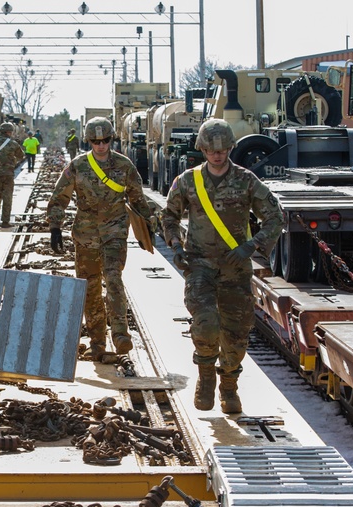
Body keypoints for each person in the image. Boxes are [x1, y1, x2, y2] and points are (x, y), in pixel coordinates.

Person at [160, 119, 282, 414]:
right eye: (211, 150)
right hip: (199, 265)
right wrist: (176, 247)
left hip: (236, 269)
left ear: (230, 148)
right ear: (202, 149)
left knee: (237, 332)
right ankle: (205, 379)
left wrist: (250, 247)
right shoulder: (188, 181)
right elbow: (168, 217)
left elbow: (276, 218)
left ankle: (229, 384)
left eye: (223, 150)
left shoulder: (247, 181)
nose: (217, 155)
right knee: (206, 324)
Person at [47, 116, 156, 362]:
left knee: (114, 277)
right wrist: (55, 226)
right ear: (89, 141)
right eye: (95, 141)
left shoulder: (124, 166)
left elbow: (137, 198)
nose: (101, 145)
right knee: (90, 287)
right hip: (85, 234)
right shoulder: (78, 166)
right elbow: (59, 197)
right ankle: (97, 341)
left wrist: (148, 228)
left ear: (111, 140)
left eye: (105, 140)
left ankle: (120, 333)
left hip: (115, 230)